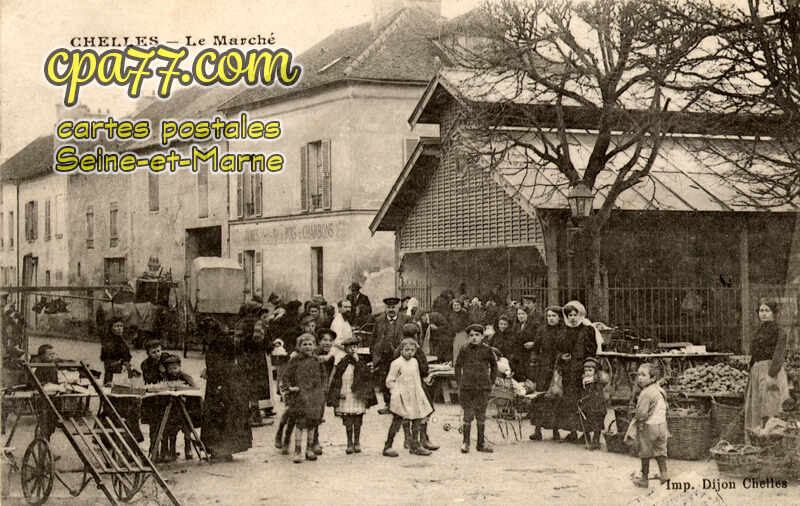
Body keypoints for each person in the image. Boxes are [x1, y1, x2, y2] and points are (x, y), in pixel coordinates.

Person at [200, 317, 253, 462]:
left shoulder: (220, 343)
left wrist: (214, 375)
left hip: (223, 384)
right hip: (222, 383)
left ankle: (221, 450)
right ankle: (222, 450)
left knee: (220, 415)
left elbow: (222, 365)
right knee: (224, 415)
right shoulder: (218, 342)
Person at [744, 301, 790, 440]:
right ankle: (757, 438)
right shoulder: (759, 330)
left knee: (769, 404)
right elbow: (755, 352)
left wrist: (772, 374)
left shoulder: (779, 331)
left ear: (774, 313)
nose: (763, 313)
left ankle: (771, 440)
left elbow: (779, 353)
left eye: (767, 310)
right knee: (756, 404)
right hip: (757, 370)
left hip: (770, 370)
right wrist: (751, 368)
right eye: (761, 310)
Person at [382, 338, 434, 457]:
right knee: (397, 421)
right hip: (401, 397)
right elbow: (389, 381)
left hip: (414, 395)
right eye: (407, 350)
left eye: (412, 350)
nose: (409, 352)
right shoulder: (396, 363)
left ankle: (415, 445)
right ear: (401, 350)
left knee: (417, 419)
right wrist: (397, 392)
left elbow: (416, 380)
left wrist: (419, 393)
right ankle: (388, 446)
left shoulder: (415, 362)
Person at [281, 333, 327, 463]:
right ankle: (297, 450)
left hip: (314, 398)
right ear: (299, 346)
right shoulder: (295, 361)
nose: (307, 347)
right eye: (304, 344)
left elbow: (324, 378)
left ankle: (309, 449)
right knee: (300, 424)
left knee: (312, 424)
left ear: (315, 346)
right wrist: (290, 388)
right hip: (300, 397)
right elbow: (286, 376)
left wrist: (323, 391)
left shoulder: (317, 361)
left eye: (310, 344)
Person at [327, 335, 377, 454]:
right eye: (350, 347)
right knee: (348, 419)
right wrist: (338, 394)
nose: (352, 349)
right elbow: (336, 379)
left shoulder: (361, 362)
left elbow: (366, 376)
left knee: (358, 418)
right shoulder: (342, 362)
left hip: (358, 395)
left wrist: (358, 361)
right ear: (345, 349)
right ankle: (349, 442)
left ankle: (357, 441)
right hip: (346, 394)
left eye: (355, 346)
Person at [559, 300, 598, 444]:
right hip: (568, 371)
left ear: (580, 315)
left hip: (582, 371)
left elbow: (592, 351)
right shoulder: (564, 330)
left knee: (585, 401)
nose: (573, 318)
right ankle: (573, 431)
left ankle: (586, 432)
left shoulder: (588, 330)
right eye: (570, 315)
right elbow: (560, 348)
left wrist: (587, 369)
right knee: (570, 401)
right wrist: (562, 355)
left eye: (575, 314)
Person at [455, 324, 498, 454]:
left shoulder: (487, 349)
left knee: (481, 415)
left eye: (477, 335)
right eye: (471, 335)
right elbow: (457, 366)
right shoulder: (464, 349)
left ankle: (481, 444)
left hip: (482, 387)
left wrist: (491, 381)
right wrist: (459, 382)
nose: (474, 338)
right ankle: (466, 443)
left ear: (482, 336)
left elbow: (494, 366)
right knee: (467, 415)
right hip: (467, 387)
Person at [629, 363, 669, 488]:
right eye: (638, 375)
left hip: (649, 426)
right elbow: (666, 407)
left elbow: (641, 413)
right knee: (661, 450)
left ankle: (644, 478)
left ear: (652, 378)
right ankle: (664, 475)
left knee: (644, 451)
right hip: (662, 425)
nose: (639, 378)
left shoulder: (646, 393)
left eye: (643, 375)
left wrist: (636, 419)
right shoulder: (660, 390)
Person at [528, 305, 563, 441]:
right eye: (549, 316)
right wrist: (534, 363)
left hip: (558, 366)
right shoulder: (542, 330)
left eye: (554, 316)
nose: (551, 318)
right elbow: (536, 348)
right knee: (540, 397)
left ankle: (555, 430)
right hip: (543, 367)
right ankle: (537, 430)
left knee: (555, 397)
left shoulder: (563, 331)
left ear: (559, 318)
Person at [372, 297, 411, 414]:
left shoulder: (406, 319)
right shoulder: (379, 320)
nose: (391, 310)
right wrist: (374, 354)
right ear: (385, 308)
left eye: (393, 307)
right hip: (383, 356)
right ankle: (388, 404)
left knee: (401, 379)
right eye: (389, 307)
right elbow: (374, 338)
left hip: (399, 356)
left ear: (398, 307)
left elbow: (412, 337)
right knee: (385, 380)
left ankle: (402, 405)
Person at [160, 354, 196, 462]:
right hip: (172, 410)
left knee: (187, 430)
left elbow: (194, 388)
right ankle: (172, 450)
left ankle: (188, 448)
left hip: (185, 410)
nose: (173, 371)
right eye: (170, 369)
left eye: (175, 368)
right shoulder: (165, 378)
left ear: (180, 367)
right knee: (171, 431)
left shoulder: (185, 377)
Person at [578, 357, 609, 450]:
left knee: (597, 424)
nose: (587, 372)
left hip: (597, 406)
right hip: (588, 405)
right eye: (586, 370)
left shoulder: (597, 381)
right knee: (586, 422)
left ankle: (595, 441)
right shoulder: (584, 380)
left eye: (590, 370)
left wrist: (586, 397)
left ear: (595, 371)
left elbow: (596, 393)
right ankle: (587, 439)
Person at [100, 317, 133, 385]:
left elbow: (127, 356)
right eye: (116, 326)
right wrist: (121, 362)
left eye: (121, 326)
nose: (119, 328)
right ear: (111, 328)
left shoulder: (122, 341)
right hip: (112, 373)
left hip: (122, 371)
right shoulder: (108, 342)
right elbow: (106, 360)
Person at [330, 299, 355, 363]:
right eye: (345, 307)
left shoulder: (345, 320)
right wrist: (349, 351)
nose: (348, 309)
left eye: (349, 307)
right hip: (339, 353)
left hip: (345, 351)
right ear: (339, 309)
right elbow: (337, 342)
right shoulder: (337, 322)